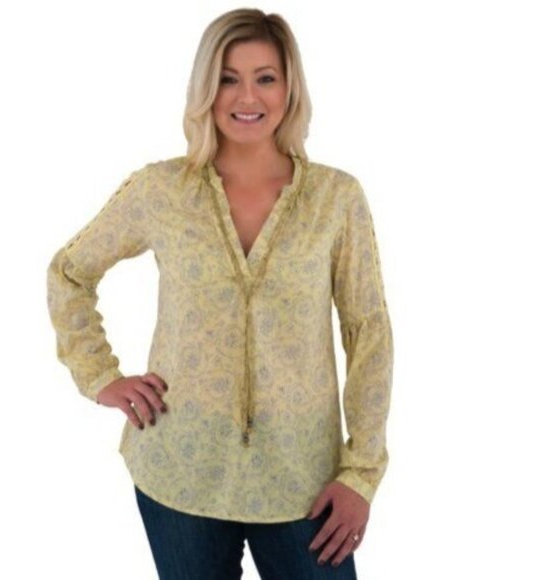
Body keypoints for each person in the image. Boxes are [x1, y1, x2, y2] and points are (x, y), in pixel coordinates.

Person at [46, 7, 394, 580]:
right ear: (206, 89)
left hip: (302, 481)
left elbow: (368, 332)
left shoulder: (336, 199)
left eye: (265, 77)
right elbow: (70, 272)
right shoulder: (161, 190)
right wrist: (100, 376)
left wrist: (362, 472)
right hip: (179, 473)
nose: (246, 96)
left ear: (289, 88)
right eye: (228, 78)